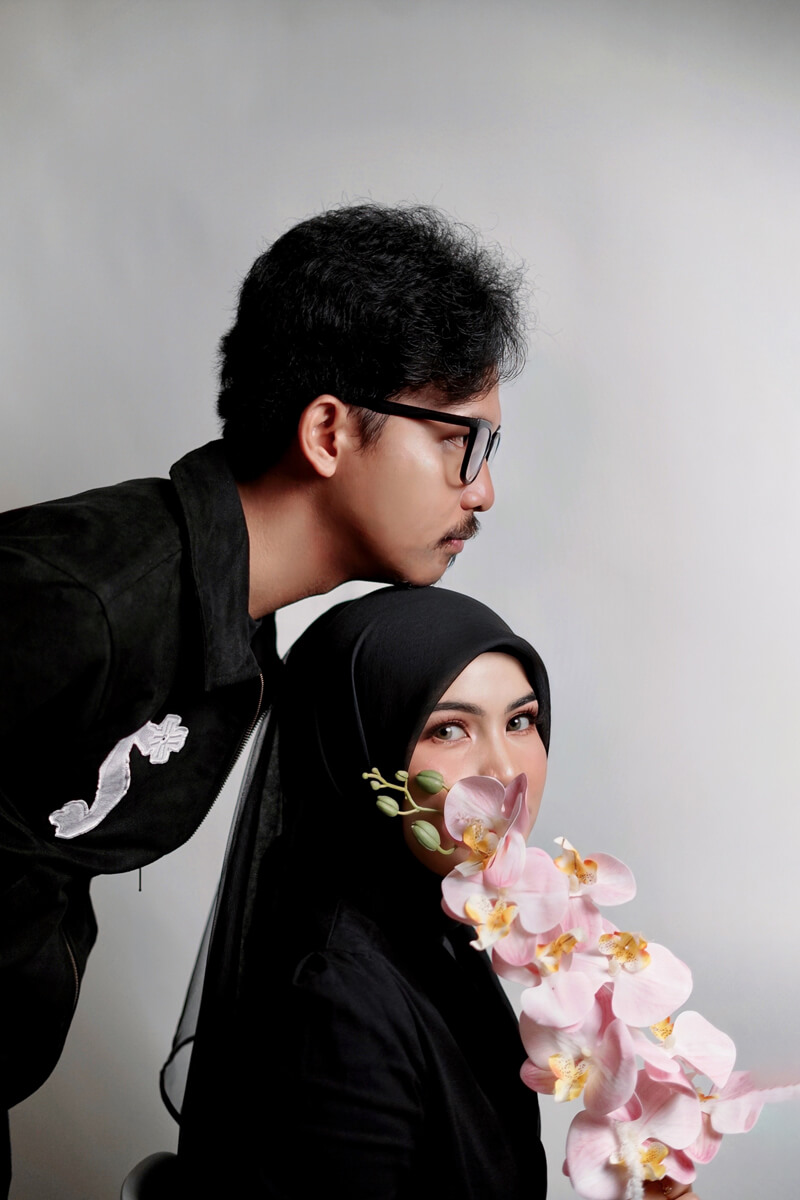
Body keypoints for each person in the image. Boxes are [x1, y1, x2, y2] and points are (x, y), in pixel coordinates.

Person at [0, 203, 524, 1190]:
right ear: (329, 430)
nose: (482, 490)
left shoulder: (242, 645)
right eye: (461, 439)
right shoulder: (82, 598)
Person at [174, 586, 701, 1200]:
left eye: (520, 721)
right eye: (449, 730)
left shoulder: (437, 933)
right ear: (360, 748)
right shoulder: (338, 1002)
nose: (505, 770)